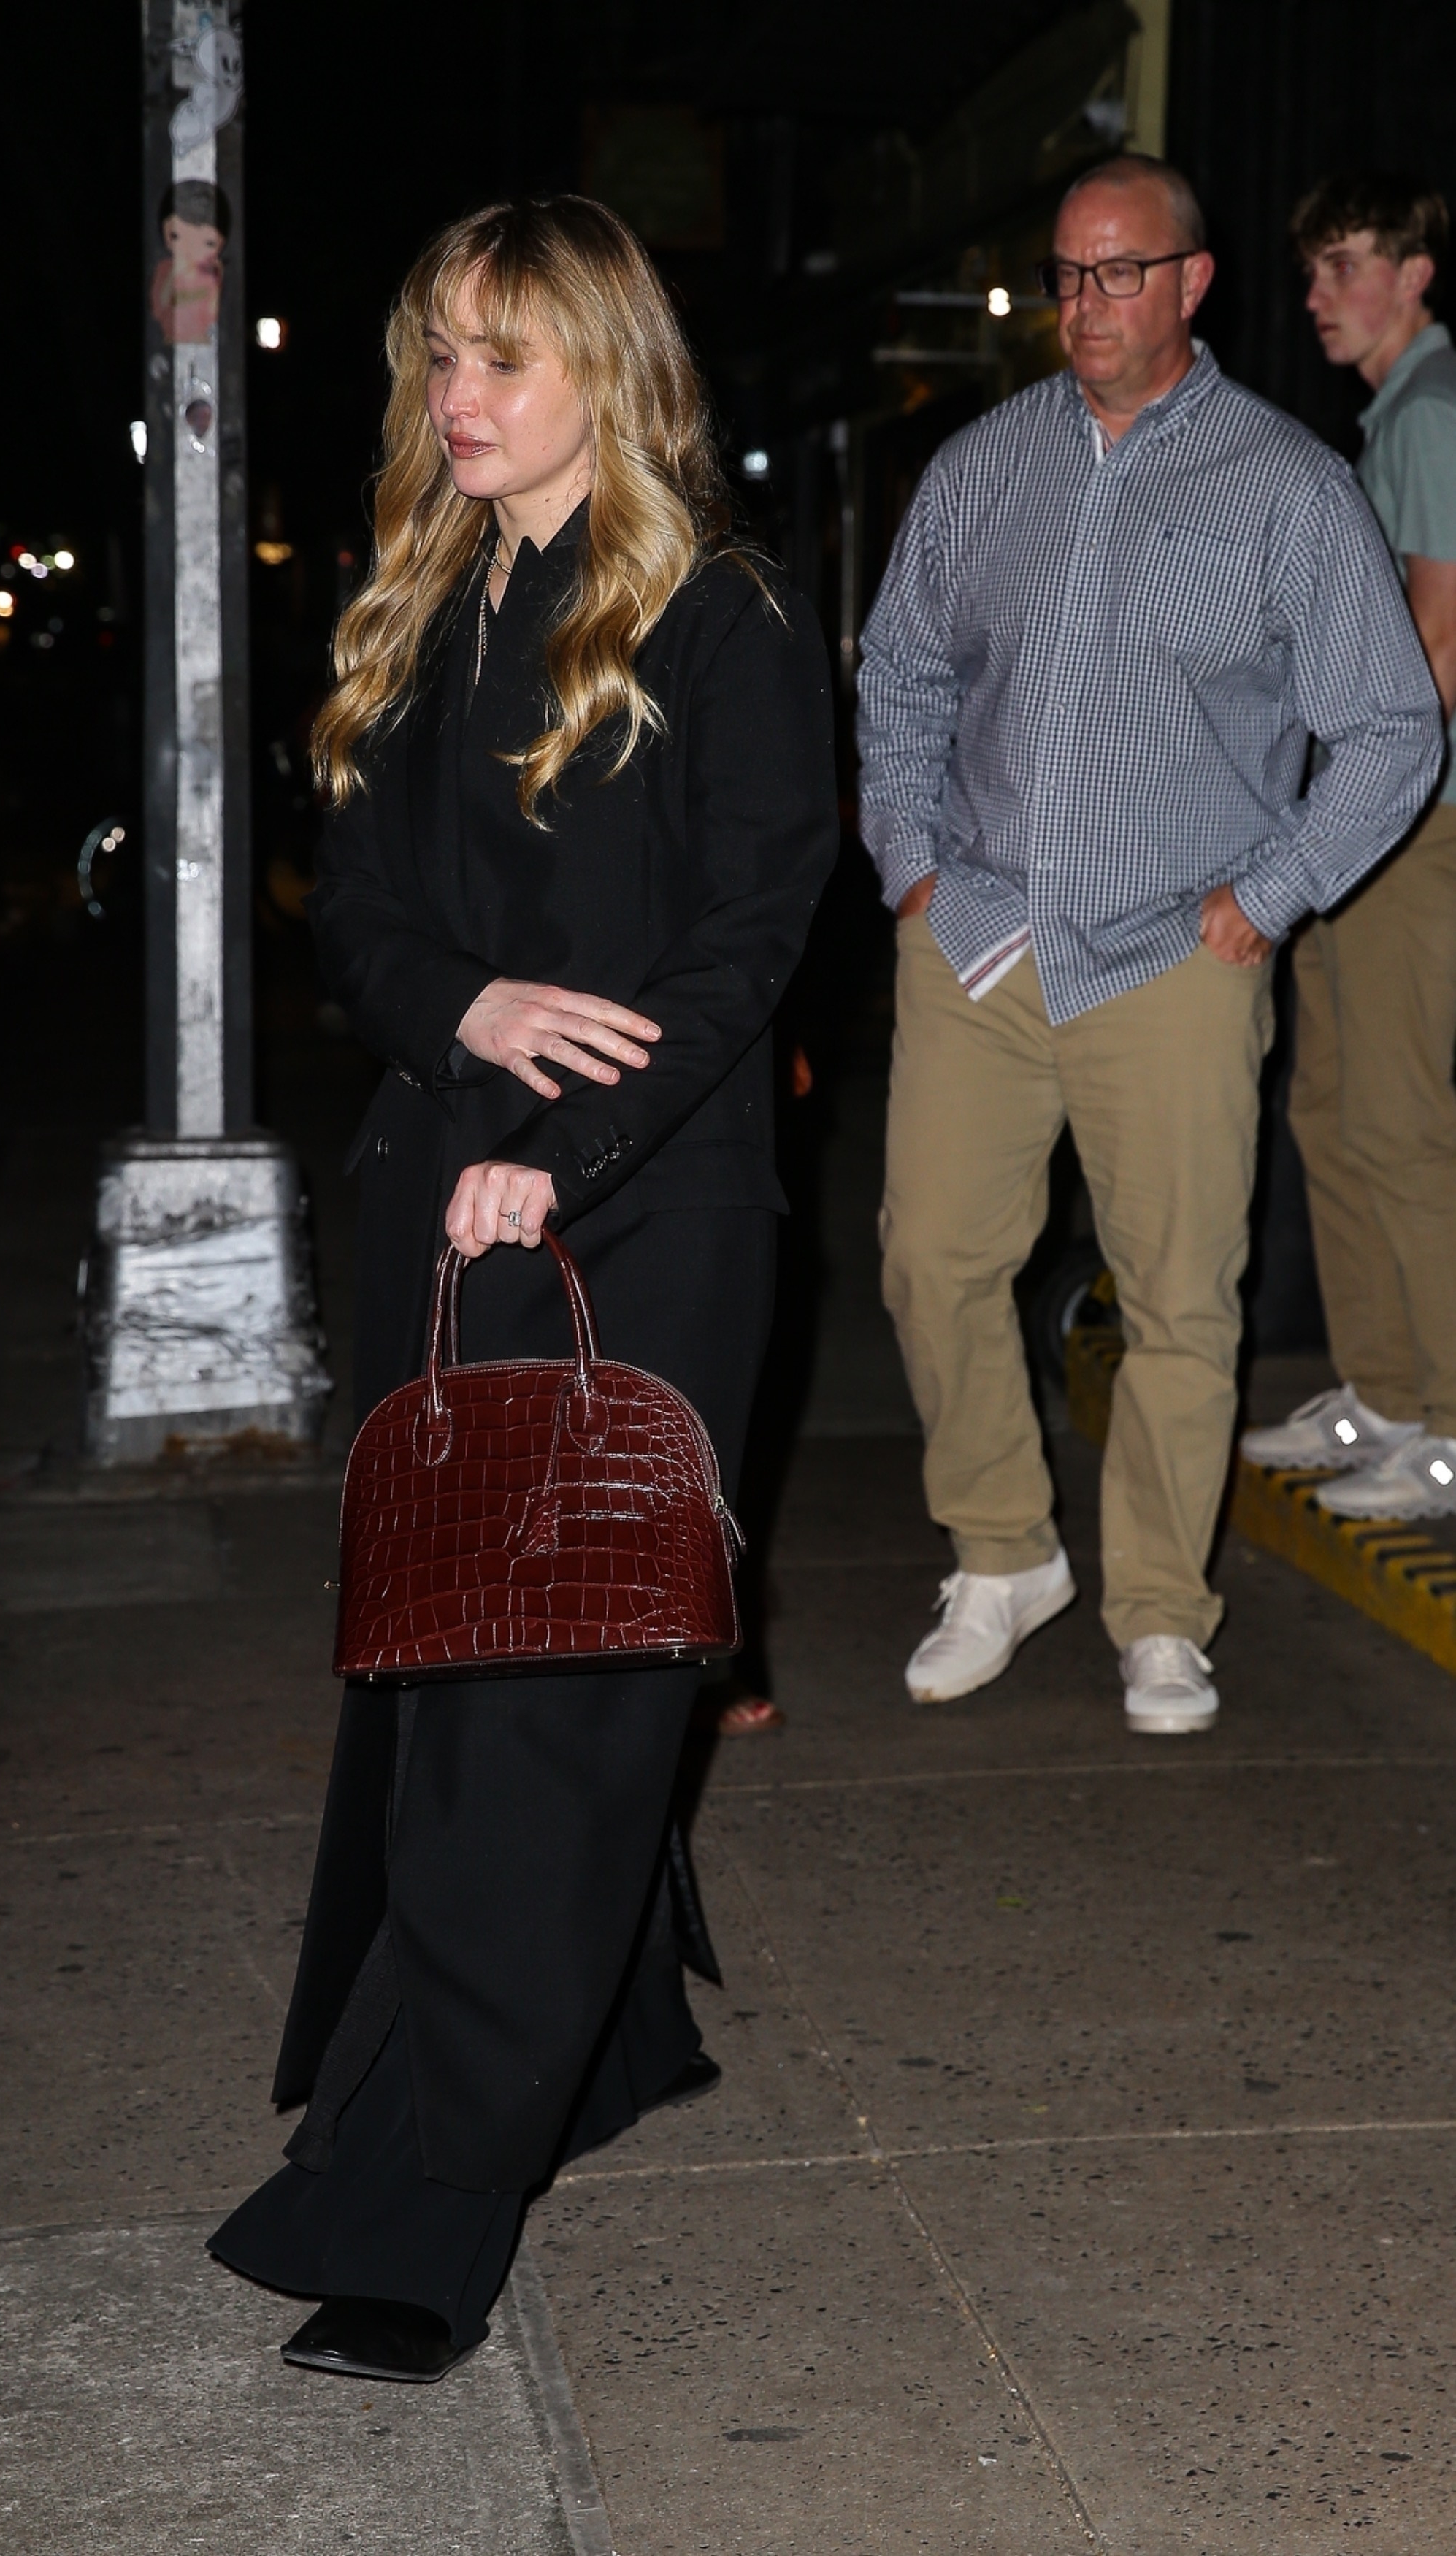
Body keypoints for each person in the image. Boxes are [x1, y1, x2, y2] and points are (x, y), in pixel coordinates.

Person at [207, 196, 837, 2383]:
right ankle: (602, 2029)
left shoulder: (724, 621)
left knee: (547, 1708)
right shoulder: (420, 606)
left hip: (641, 1226)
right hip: (438, 1210)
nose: (454, 401)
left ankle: (423, 2196)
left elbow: (736, 951)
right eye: (437, 361)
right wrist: (462, 1004)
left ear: (604, 370)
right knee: (446, 1666)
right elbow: (355, 918)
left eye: (498, 359)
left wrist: (544, 1152)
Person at [857, 153, 1442, 1738]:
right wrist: (909, 861)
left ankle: (1158, 1615)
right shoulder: (980, 470)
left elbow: (1390, 729)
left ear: (1191, 283)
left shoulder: (1283, 485)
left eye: (1119, 274)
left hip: (1172, 959)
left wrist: (1267, 897)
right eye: (1063, 275)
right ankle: (997, 1554)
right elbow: (899, 675)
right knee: (929, 1261)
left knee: (1182, 1299)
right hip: (976, 941)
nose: (1085, 305)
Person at [1244, 177, 1456, 1520]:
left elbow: (1438, 649)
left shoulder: (1431, 413)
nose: (1319, 295)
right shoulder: (1399, 417)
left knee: (1395, 1122)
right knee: (1330, 1114)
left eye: (1346, 267)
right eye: (1312, 270)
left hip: (1413, 828)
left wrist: (1347, 823)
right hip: (1365, 829)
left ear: (1417, 273)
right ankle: (1386, 1398)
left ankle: (1447, 1428)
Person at [147, 180, 227, 345]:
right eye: (177, 236)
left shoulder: (212, 273)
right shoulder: (165, 269)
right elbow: (158, 307)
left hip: (202, 342)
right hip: (170, 343)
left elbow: (214, 313)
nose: (190, 249)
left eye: (208, 243)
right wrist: (175, 274)